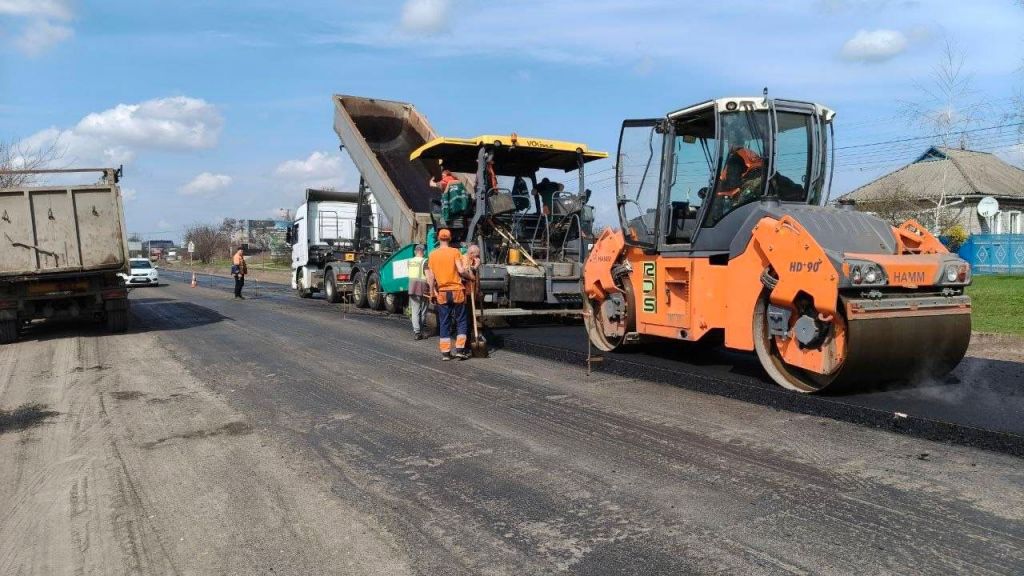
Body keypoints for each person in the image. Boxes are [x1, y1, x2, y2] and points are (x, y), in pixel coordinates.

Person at [426, 229, 472, 360]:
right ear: (450, 238)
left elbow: (431, 277)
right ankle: (460, 350)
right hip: (457, 291)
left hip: (442, 293)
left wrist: (431, 292)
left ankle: (446, 352)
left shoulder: (433, 255)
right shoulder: (454, 252)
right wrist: (470, 277)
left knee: (444, 321)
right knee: (461, 320)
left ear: (439, 239)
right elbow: (461, 270)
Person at [407, 244, 430, 340]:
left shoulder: (410, 261)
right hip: (422, 288)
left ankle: (417, 332)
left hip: (412, 288)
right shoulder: (425, 261)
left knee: (415, 311)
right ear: (423, 251)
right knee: (423, 310)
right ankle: (421, 330)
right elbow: (428, 276)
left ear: (415, 251)